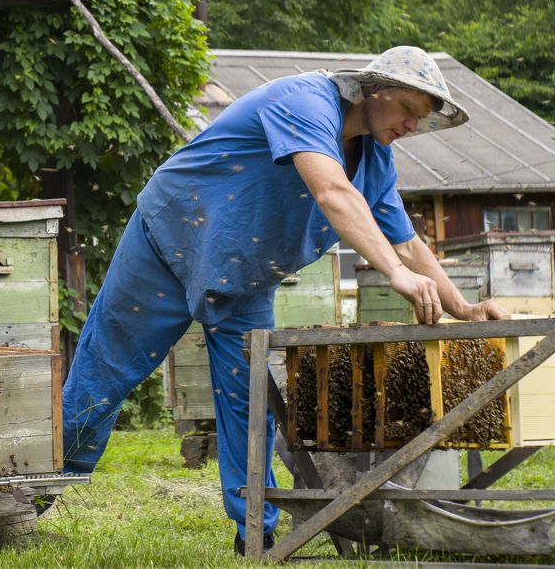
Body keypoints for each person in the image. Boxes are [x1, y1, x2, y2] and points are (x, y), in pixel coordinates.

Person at [61, 46, 505, 554]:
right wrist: (396, 276)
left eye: (420, 120)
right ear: (376, 89)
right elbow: (332, 193)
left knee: (252, 407)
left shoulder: (376, 159)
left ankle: (254, 532)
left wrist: (463, 308)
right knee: (108, 371)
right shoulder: (305, 101)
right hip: (169, 241)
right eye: (408, 110)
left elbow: (405, 241)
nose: (410, 126)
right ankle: (38, 490)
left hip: (245, 275)